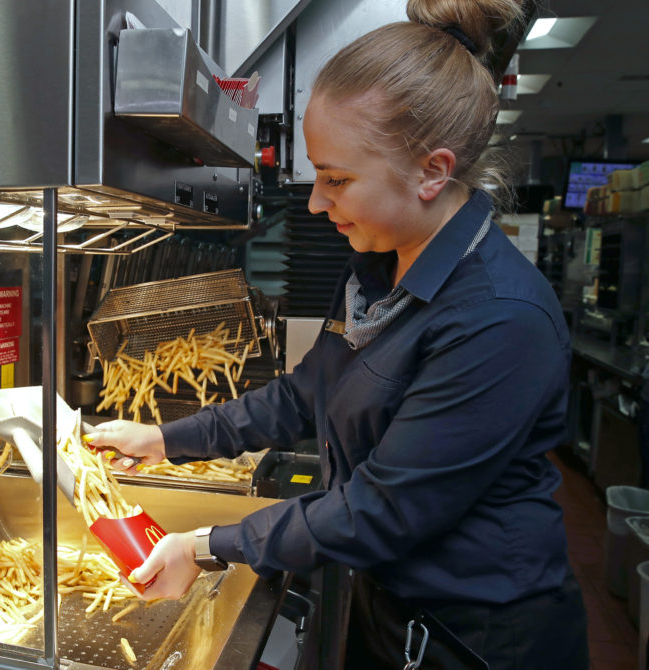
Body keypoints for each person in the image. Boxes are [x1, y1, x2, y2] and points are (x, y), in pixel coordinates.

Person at [85, 0, 591, 667]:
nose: (317, 202)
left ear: (433, 171)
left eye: (337, 179)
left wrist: (207, 546)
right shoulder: (377, 268)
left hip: (474, 638)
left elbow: (383, 509)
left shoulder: (500, 322)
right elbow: (301, 397)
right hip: (387, 599)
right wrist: (163, 440)